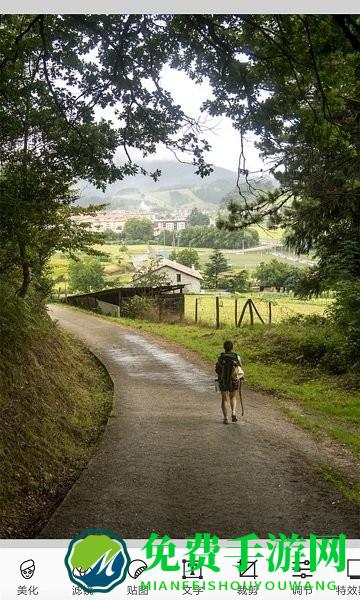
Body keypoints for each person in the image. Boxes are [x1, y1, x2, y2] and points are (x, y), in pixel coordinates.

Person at [215, 340, 243, 424]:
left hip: (223, 380)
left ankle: (225, 418)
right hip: (233, 380)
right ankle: (233, 412)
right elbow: (239, 368)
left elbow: (217, 370)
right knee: (233, 397)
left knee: (224, 399)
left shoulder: (220, 356)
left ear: (224, 347)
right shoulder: (236, 356)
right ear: (232, 347)